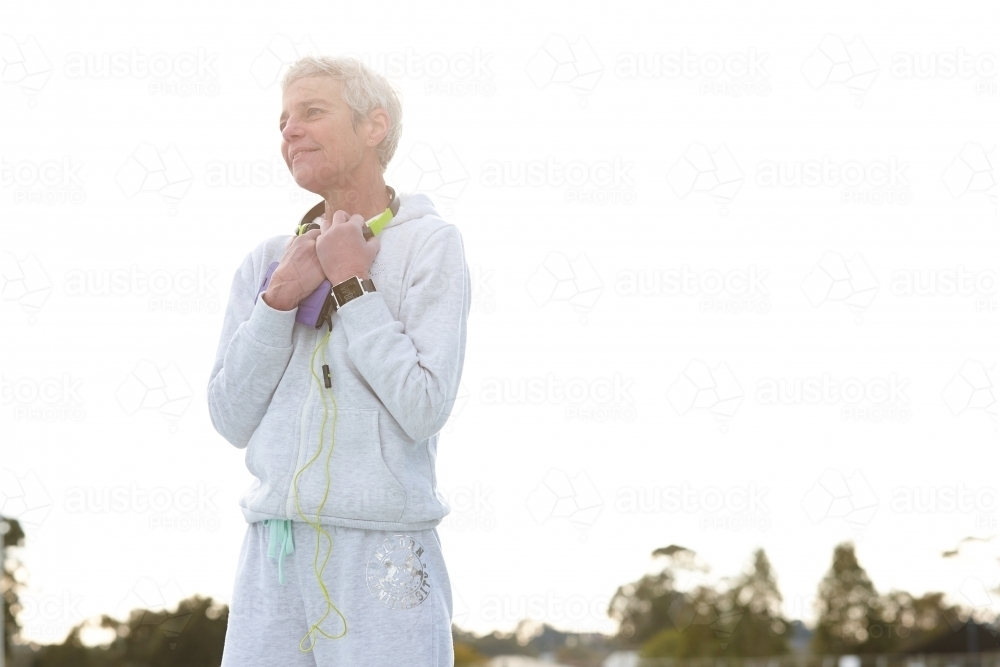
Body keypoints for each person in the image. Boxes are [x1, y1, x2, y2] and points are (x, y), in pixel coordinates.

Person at [207, 54, 470, 666]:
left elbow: (424, 406)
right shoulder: (266, 262)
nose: (289, 131)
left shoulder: (432, 245)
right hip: (273, 555)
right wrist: (277, 300)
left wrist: (353, 283)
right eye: (282, 121)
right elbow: (228, 416)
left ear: (373, 126)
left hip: (387, 555)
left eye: (311, 112)